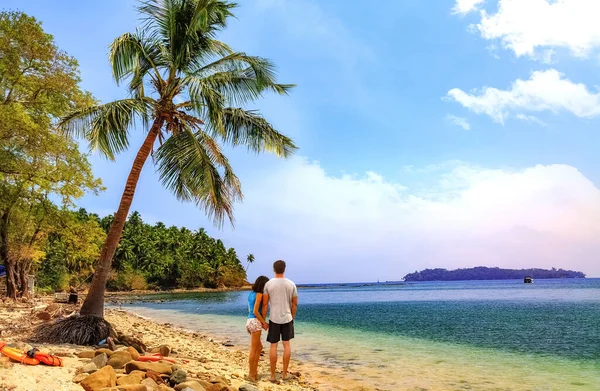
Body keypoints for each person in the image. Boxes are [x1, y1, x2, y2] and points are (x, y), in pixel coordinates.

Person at [262, 260, 298, 383]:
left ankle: (272, 375)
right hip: (287, 318)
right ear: (284, 269)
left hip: (274, 318)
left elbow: (265, 305)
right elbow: (295, 304)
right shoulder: (291, 284)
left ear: (274, 269)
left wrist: (263, 320)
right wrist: (292, 317)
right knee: (286, 345)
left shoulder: (268, 284)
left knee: (273, 345)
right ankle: (284, 374)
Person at [247, 275, 270, 382]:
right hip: (255, 321)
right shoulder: (259, 294)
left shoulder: (251, 294)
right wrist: (264, 322)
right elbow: (256, 311)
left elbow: (251, 309)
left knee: (259, 348)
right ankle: (251, 374)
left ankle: (254, 372)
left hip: (249, 321)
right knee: (253, 349)